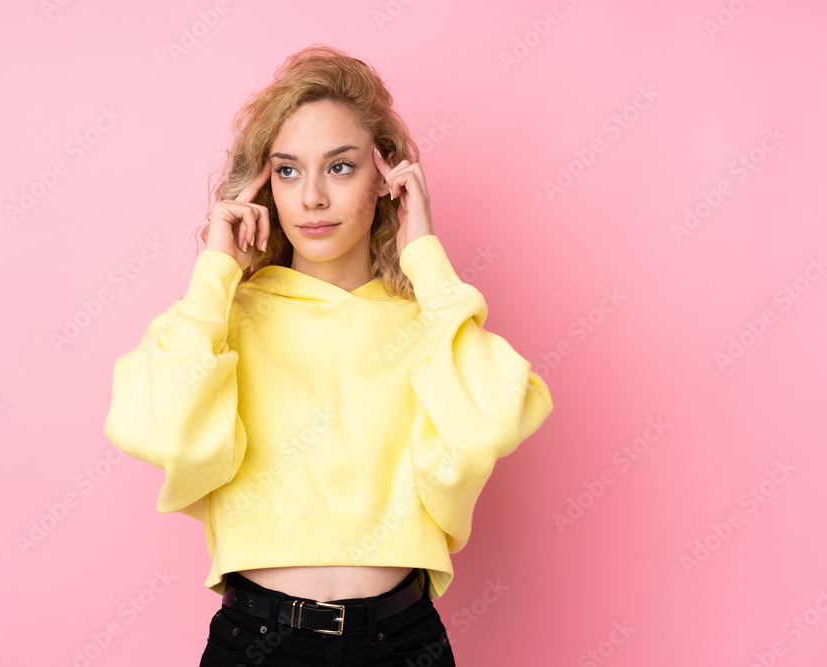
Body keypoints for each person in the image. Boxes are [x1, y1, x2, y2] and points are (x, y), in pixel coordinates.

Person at [103, 44, 553, 666]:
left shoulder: (429, 321)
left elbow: (490, 424)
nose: (311, 196)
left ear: (387, 178)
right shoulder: (224, 318)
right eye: (288, 170)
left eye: (339, 168)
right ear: (264, 185)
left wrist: (425, 257)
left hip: (401, 642)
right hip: (258, 640)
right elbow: (164, 432)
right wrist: (215, 272)